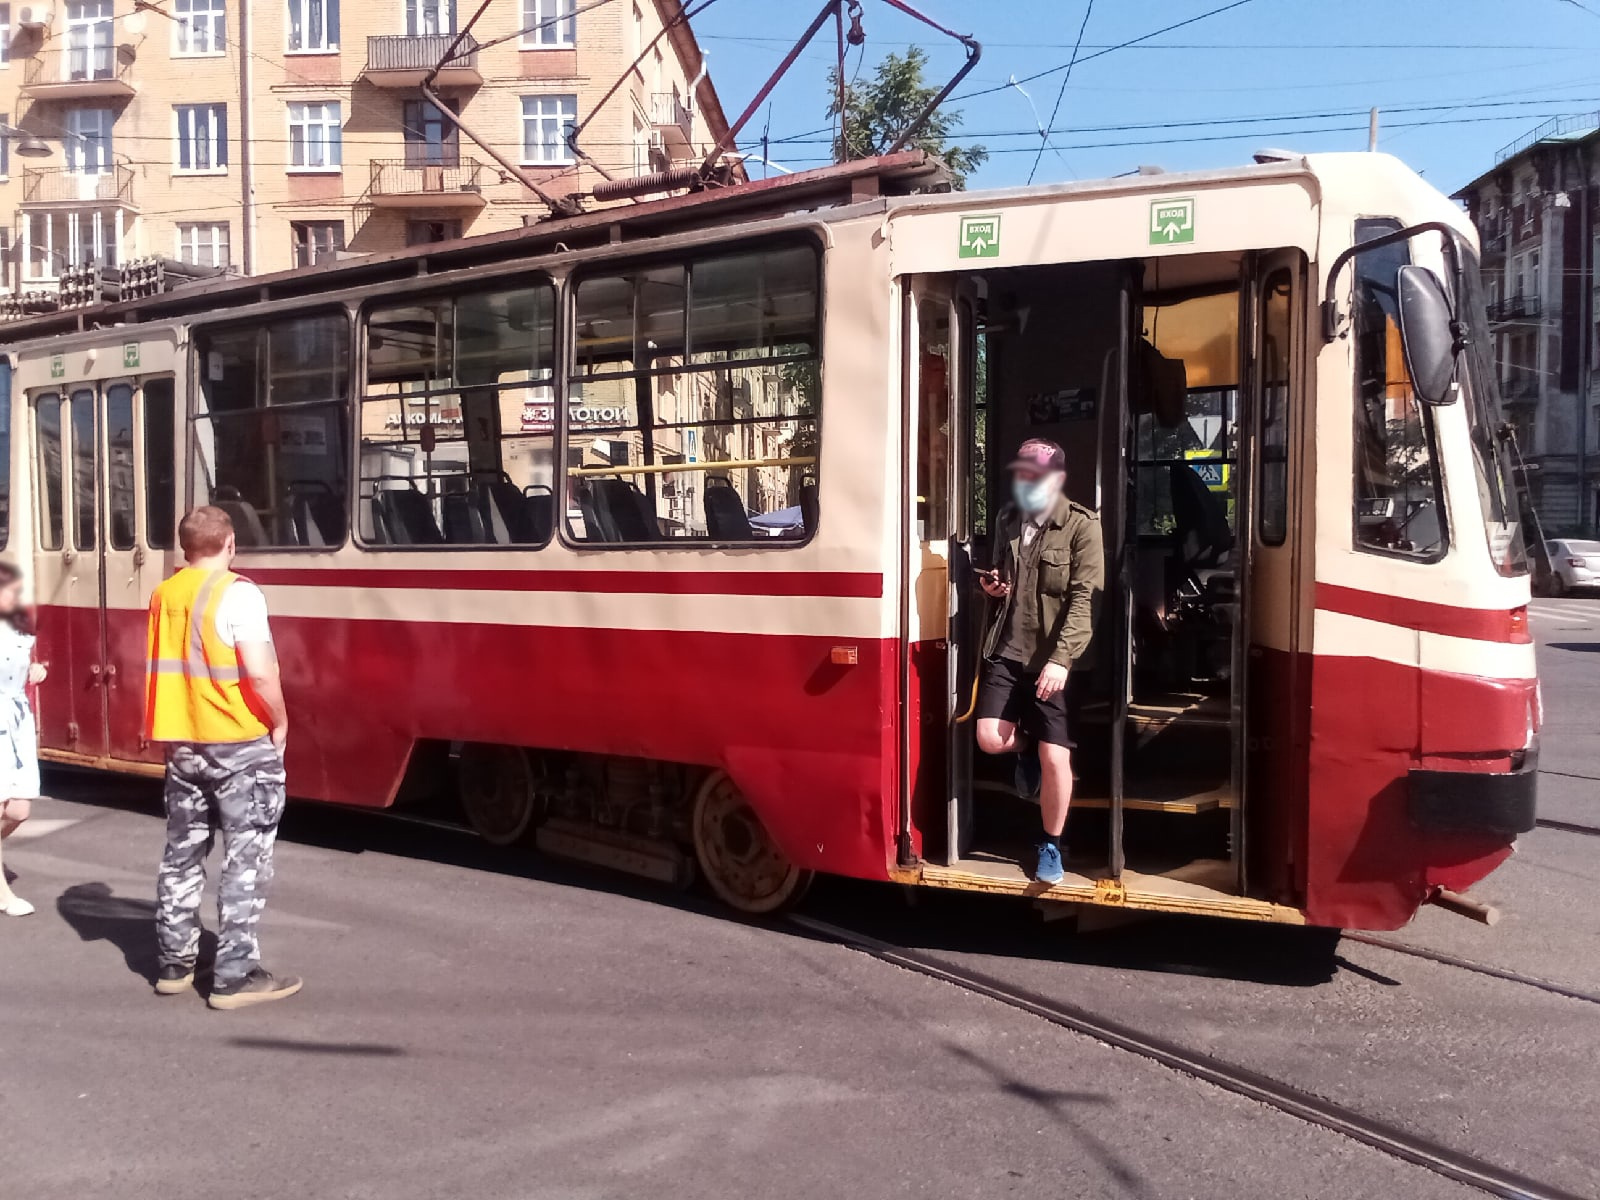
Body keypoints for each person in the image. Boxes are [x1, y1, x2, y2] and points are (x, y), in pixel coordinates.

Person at [147, 506, 300, 1009]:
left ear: (184, 548)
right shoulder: (238, 592)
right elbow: (258, 672)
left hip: (182, 745)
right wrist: (279, 719)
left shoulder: (164, 594)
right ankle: (234, 976)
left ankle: (175, 963)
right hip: (237, 744)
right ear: (230, 543)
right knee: (246, 862)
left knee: (182, 855)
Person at [975, 439, 1105, 885]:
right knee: (990, 739)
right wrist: (994, 588)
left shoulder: (1083, 526)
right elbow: (1002, 575)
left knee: (1056, 758)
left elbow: (1086, 599)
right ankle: (1022, 747)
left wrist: (1062, 659)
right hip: (1010, 648)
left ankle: (1051, 843)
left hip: (1055, 658)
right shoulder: (1007, 520)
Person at [0, 563, 46, 918]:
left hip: (16, 723)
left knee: (19, 808)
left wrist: (35, 670)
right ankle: (3, 894)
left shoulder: (17, 629)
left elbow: (20, 666)